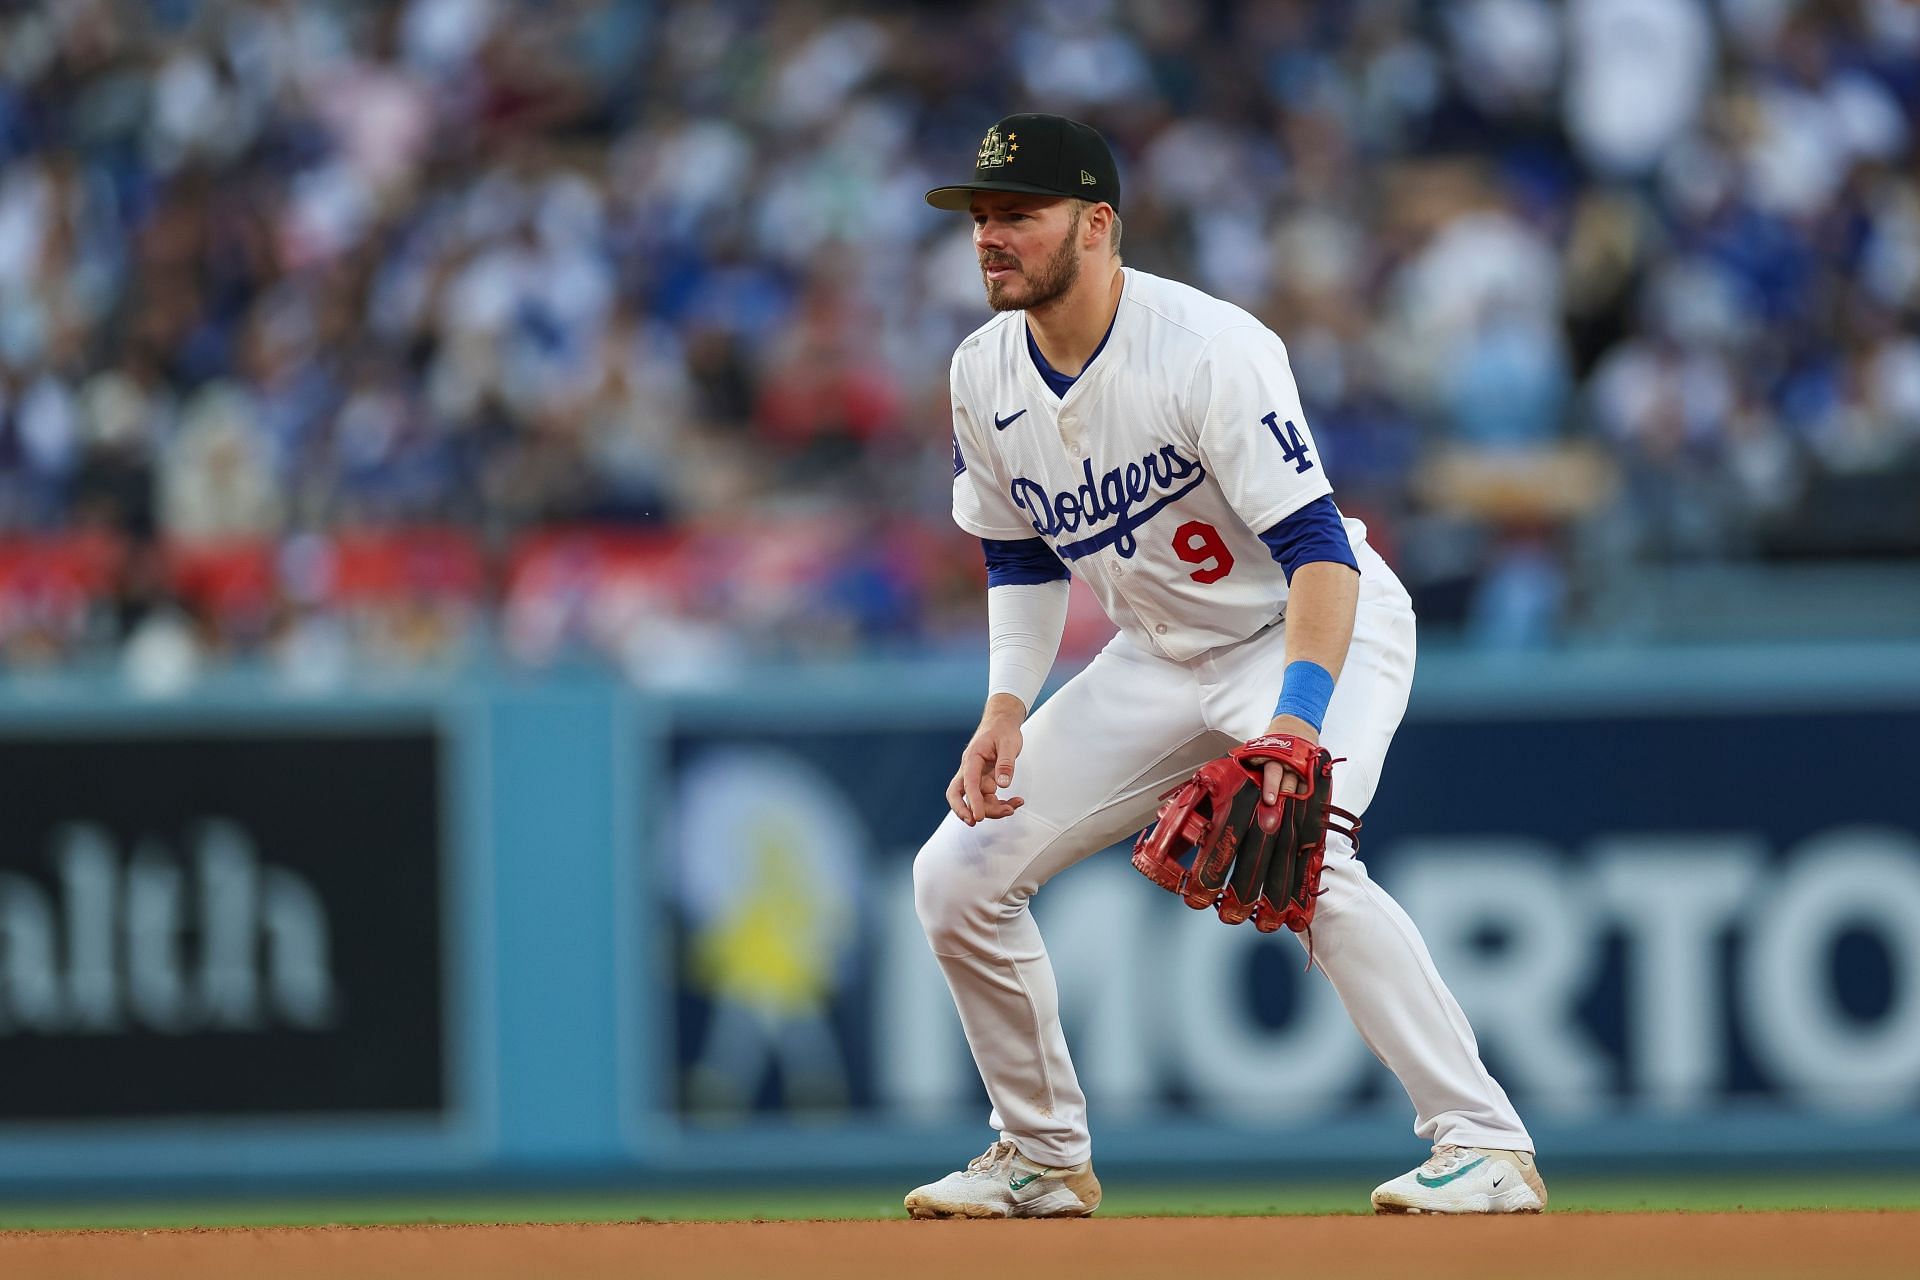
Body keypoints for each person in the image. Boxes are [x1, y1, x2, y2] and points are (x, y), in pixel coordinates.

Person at [904, 114, 1545, 1218]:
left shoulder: (1206, 347)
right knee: (956, 873)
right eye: (981, 217)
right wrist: (1007, 702)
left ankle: (1485, 1141)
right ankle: (1041, 1153)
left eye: (1020, 214)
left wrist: (1295, 726)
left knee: (1306, 858)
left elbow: (1320, 556)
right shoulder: (980, 372)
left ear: (1097, 224)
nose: (991, 236)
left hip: (1301, 630)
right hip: (1156, 658)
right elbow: (1015, 556)